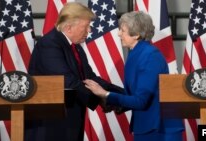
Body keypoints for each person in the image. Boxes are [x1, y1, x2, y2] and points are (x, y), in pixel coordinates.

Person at [25, 2, 123, 141]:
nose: (89, 30)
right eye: (86, 26)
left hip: (70, 123)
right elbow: (68, 81)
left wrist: (121, 95)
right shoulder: (49, 44)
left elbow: (90, 78)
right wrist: (104, 99)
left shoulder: (75, 47)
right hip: (50, 127)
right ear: (69, 27)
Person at [84, 11, 184, 141]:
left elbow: (141, 101)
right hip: (147, 125)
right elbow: (135, 95)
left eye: (123, 30)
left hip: (159, 129)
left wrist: (105, 94)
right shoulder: (136, 53)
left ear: (136, 34)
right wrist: (111, 102)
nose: (119, 34)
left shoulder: (150, 56)